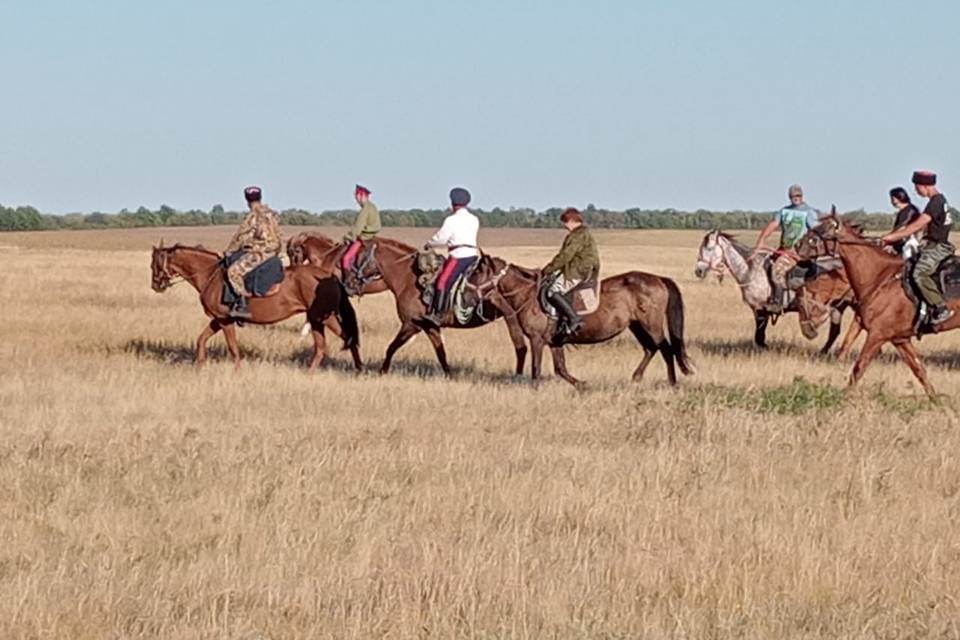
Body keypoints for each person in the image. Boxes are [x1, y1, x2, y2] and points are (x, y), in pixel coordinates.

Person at [882, 171, 954, 325]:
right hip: (932, 244)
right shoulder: (937, 201)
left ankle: (940, 308)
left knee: (919, 274)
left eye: (916, 187)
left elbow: (917, 225)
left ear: (924, 186)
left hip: (938, 246)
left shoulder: (936, 202)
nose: (915, 191)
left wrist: (892, 237)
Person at [753, 184, 821, 312]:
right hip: (784, 249)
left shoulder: (809, 212)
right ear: (789, 197)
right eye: (793, 196)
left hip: (798, 253)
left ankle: (778, 303)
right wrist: (761, 241)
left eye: (798, 195)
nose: (796, 198)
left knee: (777, 270)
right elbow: (773, 225)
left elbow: (816, 231)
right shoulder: (784, 211)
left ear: (802, 196)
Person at [422, 187, 479, 326]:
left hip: (458, 256)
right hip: (473, 255)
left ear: (453, 203)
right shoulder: (474, 219)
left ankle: (438, 314)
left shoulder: (451, 220)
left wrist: (429, 244)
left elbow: (441, 238)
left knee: (442, 282)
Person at [224, 186, 282, 319]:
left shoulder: (252, 216)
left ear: (247, 201)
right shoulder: (271, 213)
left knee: (233, 272)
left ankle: (242, 304)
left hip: (260, 252)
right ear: (260, 198)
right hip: (274, 250)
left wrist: (229, 251)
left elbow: (240, 237)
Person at [542, 207, 600, 339]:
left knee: (552, 291)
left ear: (573, 221)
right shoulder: (582, 234)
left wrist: (548, 269)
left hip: (578, 270)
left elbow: (566, 255)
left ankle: (574, 319)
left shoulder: (577, 236)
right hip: (581, 267)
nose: (564, 226)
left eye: (566, 222)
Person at [341, 184, 381, 275]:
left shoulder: (365, 209)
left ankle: (348, 280)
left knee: (346, 258)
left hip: (364, 238)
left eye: (357, 196)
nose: (356, 199)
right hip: (371, 237)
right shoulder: (372, 206)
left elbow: (358, 227)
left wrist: (349, 237)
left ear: (361, 195)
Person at [888, 186, 921, 259]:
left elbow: (901, 229)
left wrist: (888, 240)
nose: (891, 201)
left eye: (892, 198)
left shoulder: (909, 211)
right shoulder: (905, 211)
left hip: (907, 244)